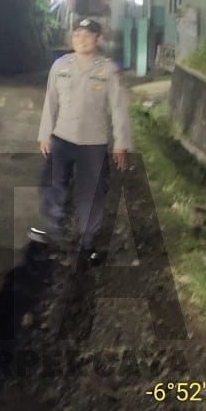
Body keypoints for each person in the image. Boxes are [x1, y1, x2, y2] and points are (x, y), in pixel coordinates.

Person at [29, 18, 132, 266]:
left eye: (87, 35)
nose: (81, 39)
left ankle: (88, 244)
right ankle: (52, 233)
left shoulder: (108, 70)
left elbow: (119, 109)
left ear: (98, 39)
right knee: (53, 186)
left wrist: (121, 143)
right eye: (77, 35)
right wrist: (44, 135)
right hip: (62, 138)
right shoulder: (60, 65)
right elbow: (50, 102)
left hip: (93, 143)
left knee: (91, 193)